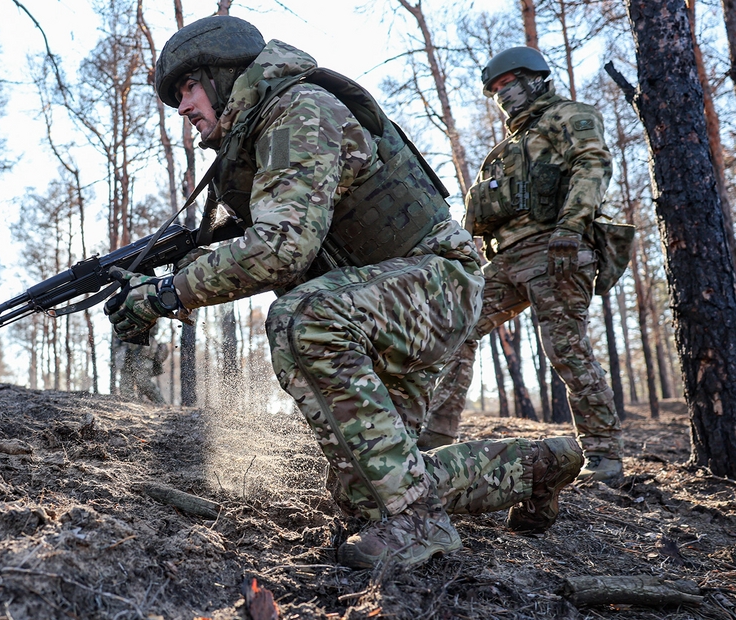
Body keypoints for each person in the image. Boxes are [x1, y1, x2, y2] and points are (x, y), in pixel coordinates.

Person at [104, 16, 583, 568]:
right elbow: (285, 249)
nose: (183, 107)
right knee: (369, 491)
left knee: (301, 318)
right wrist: (169, 281)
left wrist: (165, 295)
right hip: (387, 302)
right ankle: (545, 465)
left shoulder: (298, 110)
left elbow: (281, 248)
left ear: (222, 76)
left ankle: (419, 524)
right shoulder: (257, 143)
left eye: (188, 88)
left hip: (436, 284)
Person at [418, 46, 623, 484]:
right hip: (505, 259)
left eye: (507, 84)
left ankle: (604, 458)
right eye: (494, 90)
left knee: (565, 347)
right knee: (457, 329)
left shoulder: (566, 116)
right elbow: (475, 216)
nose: (501, 95)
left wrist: (571, 228)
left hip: (556, 249)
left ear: (535, 78)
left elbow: (592, 164)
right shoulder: (504, 150)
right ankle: (432, 439)